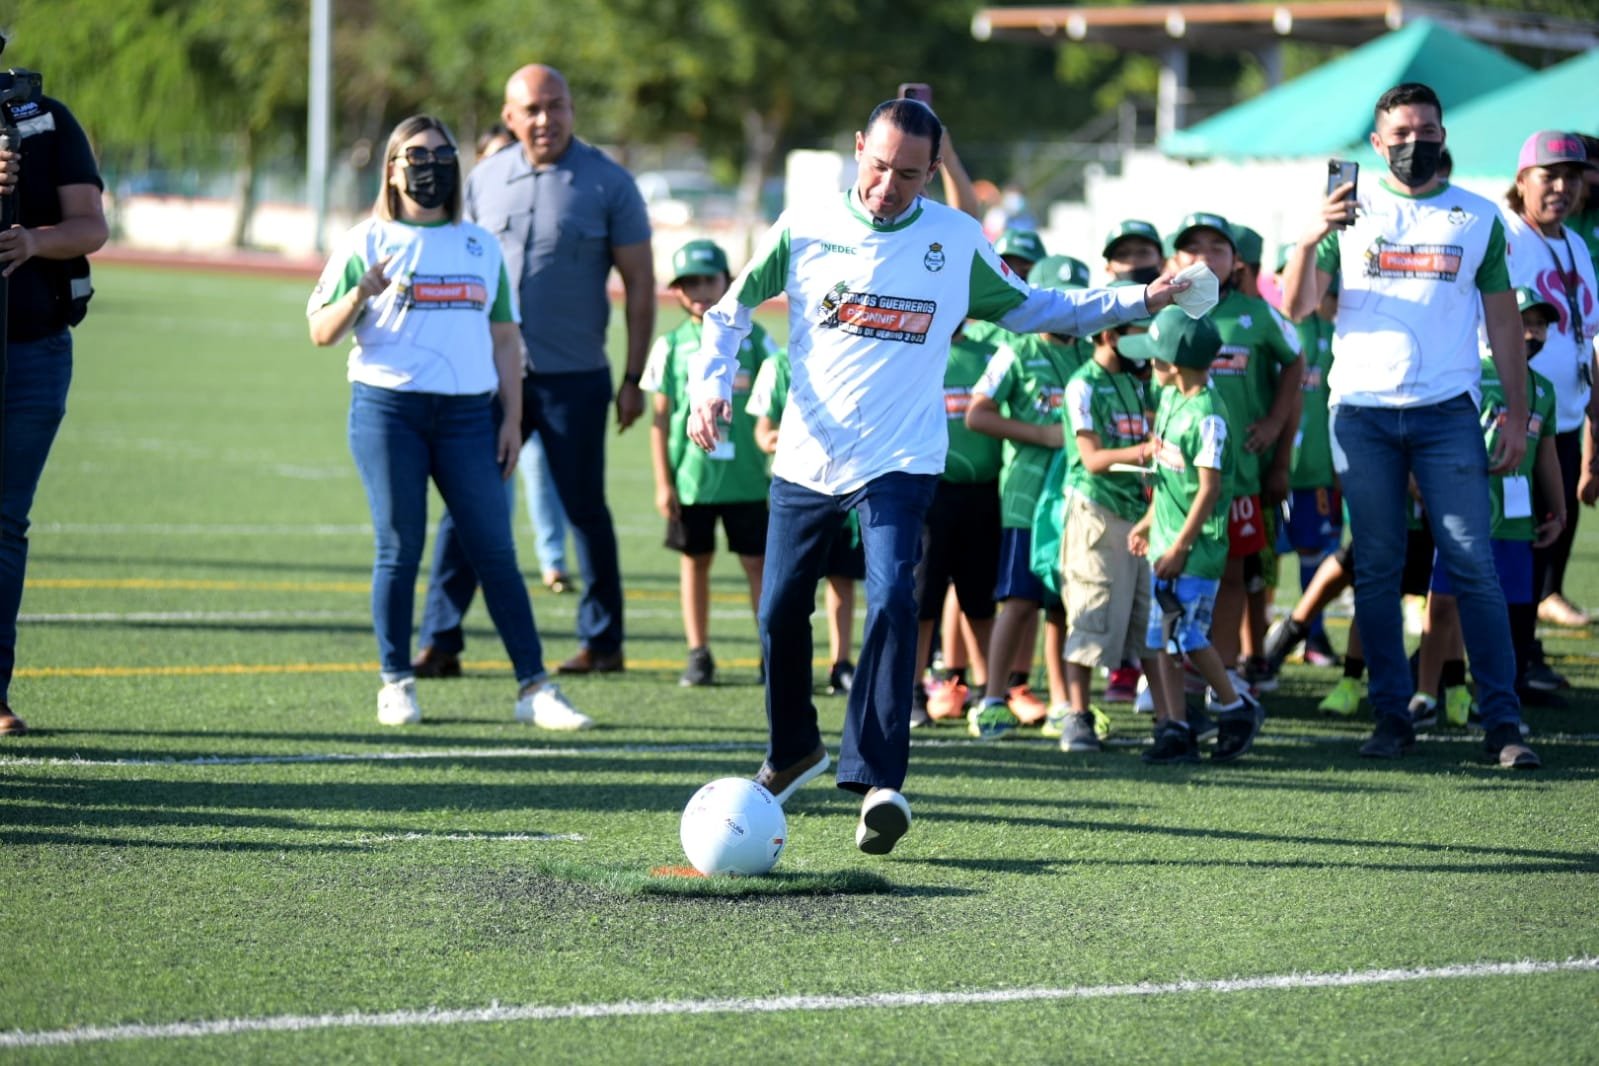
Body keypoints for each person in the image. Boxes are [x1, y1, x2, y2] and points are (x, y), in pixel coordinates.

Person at [687, 99, 1185, 854]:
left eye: (909, 174)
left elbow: (1035, 307)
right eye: (879, 166)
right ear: (858, 149)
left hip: (900, 458)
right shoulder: (804, 225)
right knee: (778, 611)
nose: (888, 186)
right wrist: (711, 383)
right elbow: (727, 313)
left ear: (931, 172)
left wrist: (1140, 299)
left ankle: (878, 779)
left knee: (891, 595)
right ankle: (793, 749)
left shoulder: (954, 240)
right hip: (806, 456)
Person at [1281, 82, 1537, 768]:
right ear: (1375, 144)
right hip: (1359, 415)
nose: (1412, 143)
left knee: (1470, 566)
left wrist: (1515, 412)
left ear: (1442, 132)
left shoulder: (1477, 216)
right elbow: (1299, 305)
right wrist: (1309, 238)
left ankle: (1502, 725)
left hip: (1446, 414)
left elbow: (1503, 321)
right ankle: (1390, 716)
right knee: (1376, 566)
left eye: (1424, 130)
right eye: (1398, 134)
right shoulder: (1347, 212)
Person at [306, 114, 590, 731]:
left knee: (494, 549)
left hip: (468, 416)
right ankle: (395, 679)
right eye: (415, 155)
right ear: (391, 166)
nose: (430, 166)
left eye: (442, 154)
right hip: (390, 412)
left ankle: (533, 687)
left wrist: (512, 418)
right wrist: (360, 295)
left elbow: (507, 338)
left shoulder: (479, 244)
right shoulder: (365, 241)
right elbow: (320, 332)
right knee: (399, 547)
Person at [413, 64, 654, 678]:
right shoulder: (480, 182)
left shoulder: (609, 183)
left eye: (557, 105)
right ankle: (441, 642)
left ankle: (603, 642)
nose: (546, 119)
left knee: (583, 511)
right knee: (467, 505)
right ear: (511, 115)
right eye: (533, 109)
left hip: (575, 379)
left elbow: (642, 286)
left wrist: (632, 379)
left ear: (572, 108)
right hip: (488, 382)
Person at [0, 77, 108, 737]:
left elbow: (90, 226)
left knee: (4, 525)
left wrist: (35, 242)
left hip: (34, 353)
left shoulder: (44, 120)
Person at [1414, 287, 1565, 726]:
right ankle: (1424, 695)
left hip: (1516, 526)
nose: (1531, 333)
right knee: (1442, 604)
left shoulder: (1544, 390)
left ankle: (1495, 702)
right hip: (1464, 516)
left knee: (1509, 617)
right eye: (1522, 322)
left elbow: (1548, 456)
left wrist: (1558, 510)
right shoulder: (1468, 376)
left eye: (1539, 325)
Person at [1124, 307, 1264, 764]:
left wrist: (1182, 546)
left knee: (1186, 635)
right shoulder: (1169, 400)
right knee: (1159, 639)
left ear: (1175, 363)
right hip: (1165, 543)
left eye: (1155, 358)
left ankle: (1236, 706)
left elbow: (1209, 489)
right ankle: (1175, 725)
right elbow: (1167, 479)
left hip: (1195, 551)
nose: (1149, 366)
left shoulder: (1207, 414)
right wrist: (1149, 522)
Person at [644, 239, 775, 686]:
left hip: (750, 481)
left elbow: (777, 397)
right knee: (694, 562)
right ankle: (698, 652)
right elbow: (660, 421)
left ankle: (768, 653)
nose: (699, 291)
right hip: (693, 480)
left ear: (728, 281)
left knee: (757, 564)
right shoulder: (671, 344)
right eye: (688, 283)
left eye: (708, 280)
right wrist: (664, 484)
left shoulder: (756, 338)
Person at [1498, 130, 1599, 639]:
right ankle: (1497, 664)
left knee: (1552, 541)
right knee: (1518, 548)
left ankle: (1525, 658)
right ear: (1522, 180)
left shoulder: (1576, 243)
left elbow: (1590, 340)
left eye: (1573, 176)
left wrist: (1595, 431)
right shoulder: (1507, 235)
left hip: (1564, 421)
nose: (1563, 186)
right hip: (1518, 420)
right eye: (1551, 175)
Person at [1054, 286, 1157, 752]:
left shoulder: (1136, 383)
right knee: (1090, 613)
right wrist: (1144, 451)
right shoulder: (1082, 384)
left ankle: (1169, 715)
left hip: (1136, 515)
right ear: (1110, 334)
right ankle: (1077, 715)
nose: (1146, 339)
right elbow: (1091, 458)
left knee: (1145, 620)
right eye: (1138, 328)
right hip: (1096, 512)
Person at [910, 325, 1003, 727]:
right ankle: (911, 691)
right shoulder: (913, 350)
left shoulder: (994, 354)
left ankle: (988, 691)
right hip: (930, 491)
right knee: (921, 599)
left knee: (980, 599)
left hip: (985, 492)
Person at [1103, 220, 1166, 284]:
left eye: (1143, 252)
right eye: (1122, 254)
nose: (1132, 260)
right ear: (1109, 268)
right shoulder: (1098, 293)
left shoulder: (1175, 293)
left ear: (1162, 262)